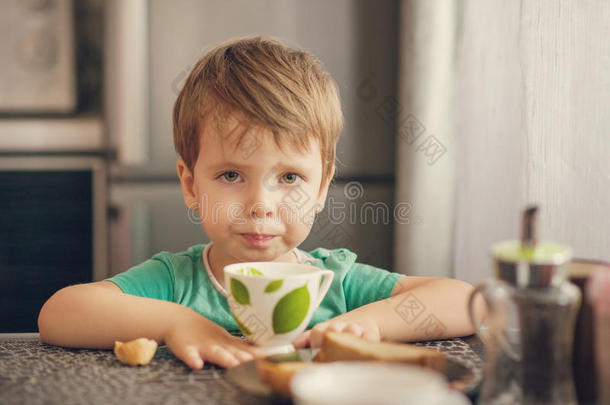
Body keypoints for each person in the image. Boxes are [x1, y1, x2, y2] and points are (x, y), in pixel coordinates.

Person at [38, 36, 480, 370]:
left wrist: (372, 324)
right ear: (190, 185)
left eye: (290, 178)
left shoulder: (335, 282)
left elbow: (465, 302)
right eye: (231, 176)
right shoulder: (176, 284)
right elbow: (60, 313)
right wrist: (176, 323)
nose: (260, 205)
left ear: (322, 187)